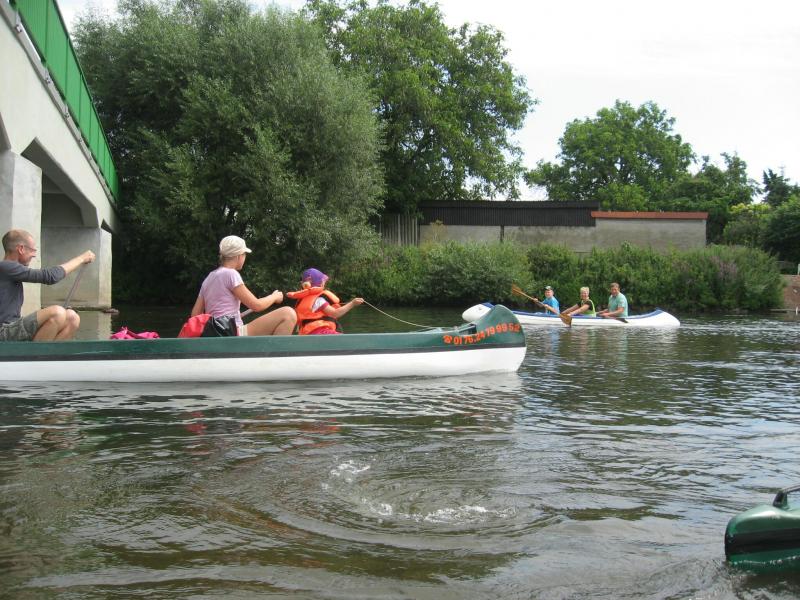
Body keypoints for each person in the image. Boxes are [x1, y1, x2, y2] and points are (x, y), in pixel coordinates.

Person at [0, 229, 95, 341]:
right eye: (32, 250)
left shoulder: (9, 270)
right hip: (3, 331)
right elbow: (50, 277)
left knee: (72, 318)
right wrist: (81, 258)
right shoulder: (6, 267)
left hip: (12, 327)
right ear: (21, 249)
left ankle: (50, 352)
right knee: (57, 312)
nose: (34, 255)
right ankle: (37, 352)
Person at [190, 235, 296, 336]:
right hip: (231, 333)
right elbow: (257, 306)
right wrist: (274, 297)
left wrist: (225, 316)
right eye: (244, 254)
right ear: (238, 256)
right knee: (288, 314)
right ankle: (274, 350)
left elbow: (195, 315)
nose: (244, 257)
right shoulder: (231, 274)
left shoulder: (208, 278)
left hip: (214, 334)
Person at [287, 268, 364, 335]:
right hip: (320, 332)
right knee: (346, 341)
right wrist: (352, 303)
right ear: (321, 284)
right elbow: (335, 314)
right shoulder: (319, 300)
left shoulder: (301, 300)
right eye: (323, 281)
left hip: (306, 334)